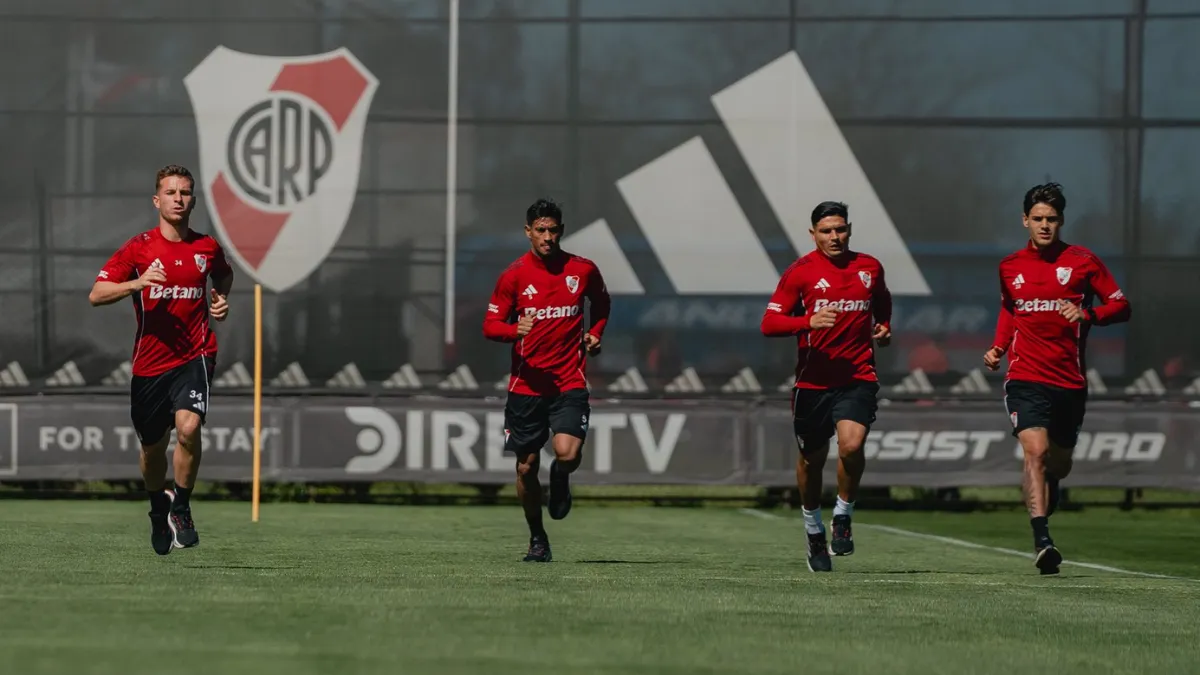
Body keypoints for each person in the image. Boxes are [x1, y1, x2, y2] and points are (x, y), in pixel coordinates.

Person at [983, 182, 1130, 575]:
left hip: (1069, 382)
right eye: (1037, 219)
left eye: (1051, 219)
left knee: (1058, 465)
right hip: (1024, 377)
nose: (1044, 226)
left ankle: (1052, 487)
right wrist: (998, 347)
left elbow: (1121, 305)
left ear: (1061, 221)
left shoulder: (1083, 261)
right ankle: (1042, 539)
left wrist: (1089, 315)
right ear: (1024, 220)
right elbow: (1009, 311)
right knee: (1035, 452)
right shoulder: (1010, 266)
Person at [88, 164, 234, 556]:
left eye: (184, 192)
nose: (178, 199)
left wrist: (220, 299)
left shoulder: (206, 247)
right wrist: (135, 283)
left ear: (193, 200)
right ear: (157, 200)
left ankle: (182, 507)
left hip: (195, 354)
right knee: (153, 449)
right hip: (150, 366)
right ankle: (158, 509)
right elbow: (96, 293)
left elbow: (223, 275)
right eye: (170, 192)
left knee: (188, 428)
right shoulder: (139, 248)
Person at [761, 201, 892, 572]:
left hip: (857, 376)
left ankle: (844, 515)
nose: (834, 237)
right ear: (813, 234)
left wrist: (883, 326)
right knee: (811, 460)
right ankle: (813, 531)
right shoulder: (800, 273)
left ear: (849, 229)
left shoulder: (869, 267)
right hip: (812, 382)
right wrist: (807, 321)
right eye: (826, 231)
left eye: (840, 229)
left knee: (852, 445)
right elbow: (769, 324)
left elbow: (882, 300)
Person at [483, 198, 611, 562]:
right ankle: (537, 537)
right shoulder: (514, 275)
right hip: (526, 388)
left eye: (553, 230)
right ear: (528, 232)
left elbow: (602, 305)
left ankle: (560, 478)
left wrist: (596, 333)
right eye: (541, 230)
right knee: (525, 466)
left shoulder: (582, 270)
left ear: (562, 231)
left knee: (567, 454)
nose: (548, 237)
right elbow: (489, 325)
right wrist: (512, 330)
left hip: (569, 381)